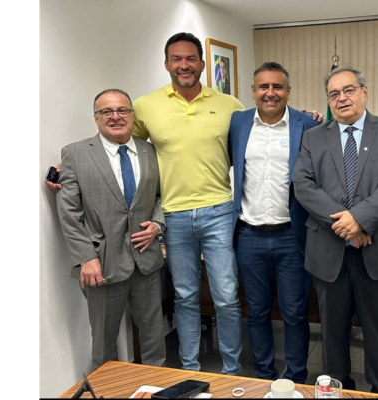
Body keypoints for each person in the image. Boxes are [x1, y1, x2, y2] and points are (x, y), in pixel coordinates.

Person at [292, 65, 378, 395]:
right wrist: (345, 225)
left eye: (349, 90)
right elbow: (303, 185)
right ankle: (337, 389)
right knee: (332, 333)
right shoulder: (313, 137)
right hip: (329, 252)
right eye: (334, 93)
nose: (342, 98)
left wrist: (358, 219)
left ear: (364, 92)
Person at [131, 32, 245, 374]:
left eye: (191, 58)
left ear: (202, 64)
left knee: (226, 296)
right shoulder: (145, 106)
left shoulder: (229, 105)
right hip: (173, 215)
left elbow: (256, 143)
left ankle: (231, 369)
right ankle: (190, 368)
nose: (184, 65)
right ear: (166, 64)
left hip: (220, 211)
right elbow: (125, 149)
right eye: (177, 59)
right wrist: (71, 168)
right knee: (185, 297)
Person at [56, 88, 166, 370]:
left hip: (147, 260)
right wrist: (86, 258)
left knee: (154, 337)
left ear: (132, 115)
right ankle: (107, 389)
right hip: (101, 264)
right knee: (104, 342)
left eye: (122, 110)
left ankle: (157, 386)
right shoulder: (75, 154)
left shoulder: (150, 151)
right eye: (107, 111)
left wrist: (158, 224)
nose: (116, 116)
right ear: (96, 118)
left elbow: (160, 196)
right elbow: (69, 212)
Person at [228, 62, 319, 383]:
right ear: (253, 91)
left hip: (292, 236)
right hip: (249, 236)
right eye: (263, 87)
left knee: (295, 313)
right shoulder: (237, 123)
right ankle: (264, 376)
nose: (270, 93)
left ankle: (296, 378)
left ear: (288, 92)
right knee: (257, 312)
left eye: (277, 87)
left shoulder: (307, 124)